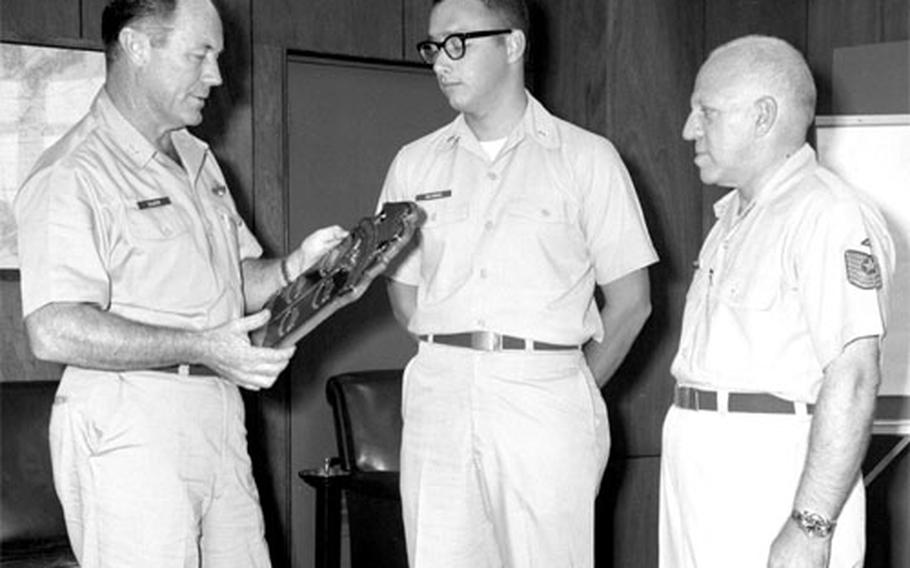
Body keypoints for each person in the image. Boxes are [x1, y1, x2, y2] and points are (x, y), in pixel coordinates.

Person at [13, 0, 346, 566]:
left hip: (216, 415)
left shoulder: (198, 159)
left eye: (217, 56)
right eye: (200, 55)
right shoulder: (74, 171)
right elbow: (54, 329)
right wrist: (202, 346)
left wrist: (295, 266)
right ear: (138, 46)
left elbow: (234, 280)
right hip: (131, 425)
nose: (216, 76)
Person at [376, 0, 658, 565]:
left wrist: (567, 383)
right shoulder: (415, 163)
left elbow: (632, 301)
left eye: (459, 43)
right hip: (440, 396)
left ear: (513, 44)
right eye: (433, 46)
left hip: (546, 397)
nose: (440, 62)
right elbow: (402, 290)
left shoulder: (587, 159)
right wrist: (459, 361)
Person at [660, 35, 894, 568]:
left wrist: (810, 527)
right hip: (699, 473)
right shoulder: (733, 219)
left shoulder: (829, 215)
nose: (689, 129)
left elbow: (854, 378)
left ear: (763, 116)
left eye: (706, 112)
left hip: (768, 475)